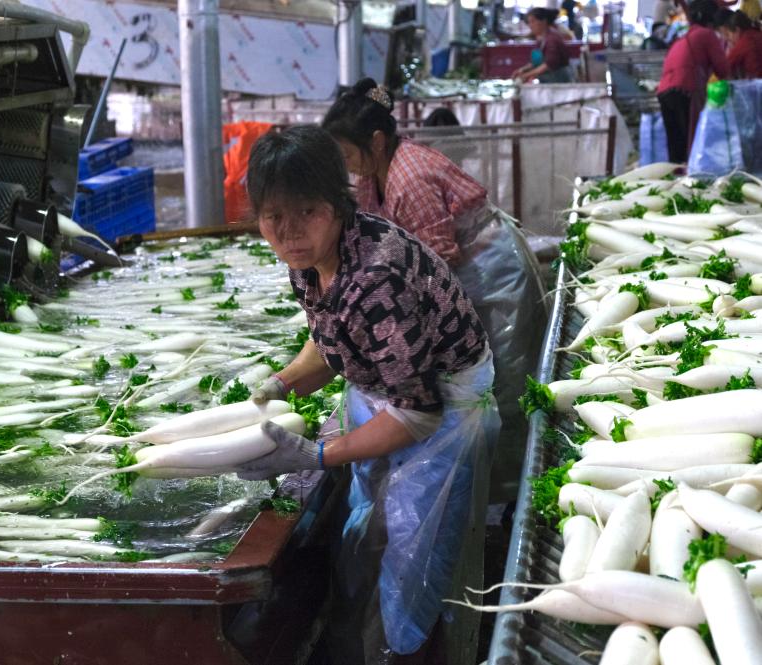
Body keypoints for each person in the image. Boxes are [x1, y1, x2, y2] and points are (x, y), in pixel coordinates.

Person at [234, 125, 500, 664]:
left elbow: (419, 413)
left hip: (443, 422)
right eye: (273, 217)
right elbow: (330, 342)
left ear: (336, 204)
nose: (288, 233)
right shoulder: (312, 265)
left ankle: (419, 654)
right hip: (390, 401)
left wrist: (318, 454)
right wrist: (280, 382)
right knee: (372, 540)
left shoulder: (376, 280)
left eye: (305, 212)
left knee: (417, 562)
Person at [321, 79, 547, 506]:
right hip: (459, 274)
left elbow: (436, 261)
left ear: (376, 139)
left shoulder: (409, 179)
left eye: (349, 154)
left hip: (491, 276)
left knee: (502, 385)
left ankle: (511, 497)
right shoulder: (374, 175)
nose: (348, 165)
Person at [656, 0, 730, 163]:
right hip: (685, 88)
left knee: (675, 144)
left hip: (664, 90)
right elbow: (723, 69)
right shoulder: (706, 35)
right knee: (690, 142)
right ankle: (689, 180)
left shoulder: (686, 35)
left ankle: (675, 178)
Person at [512, 7, 574, 83]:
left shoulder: (552, 39)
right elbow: (536, 62)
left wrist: (526, 75)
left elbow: (549, 65)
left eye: (533, 21)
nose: (530, 25)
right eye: (529, 22)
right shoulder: (541, 39)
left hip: (559, 83)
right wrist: (522, 70)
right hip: (547, 82)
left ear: (543, 21)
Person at [725, 10, 762, 79]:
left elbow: (724, 67)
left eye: (729, 34)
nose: (729, 38)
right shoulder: (758, 33)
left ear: (737, 30)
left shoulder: (744, 42)